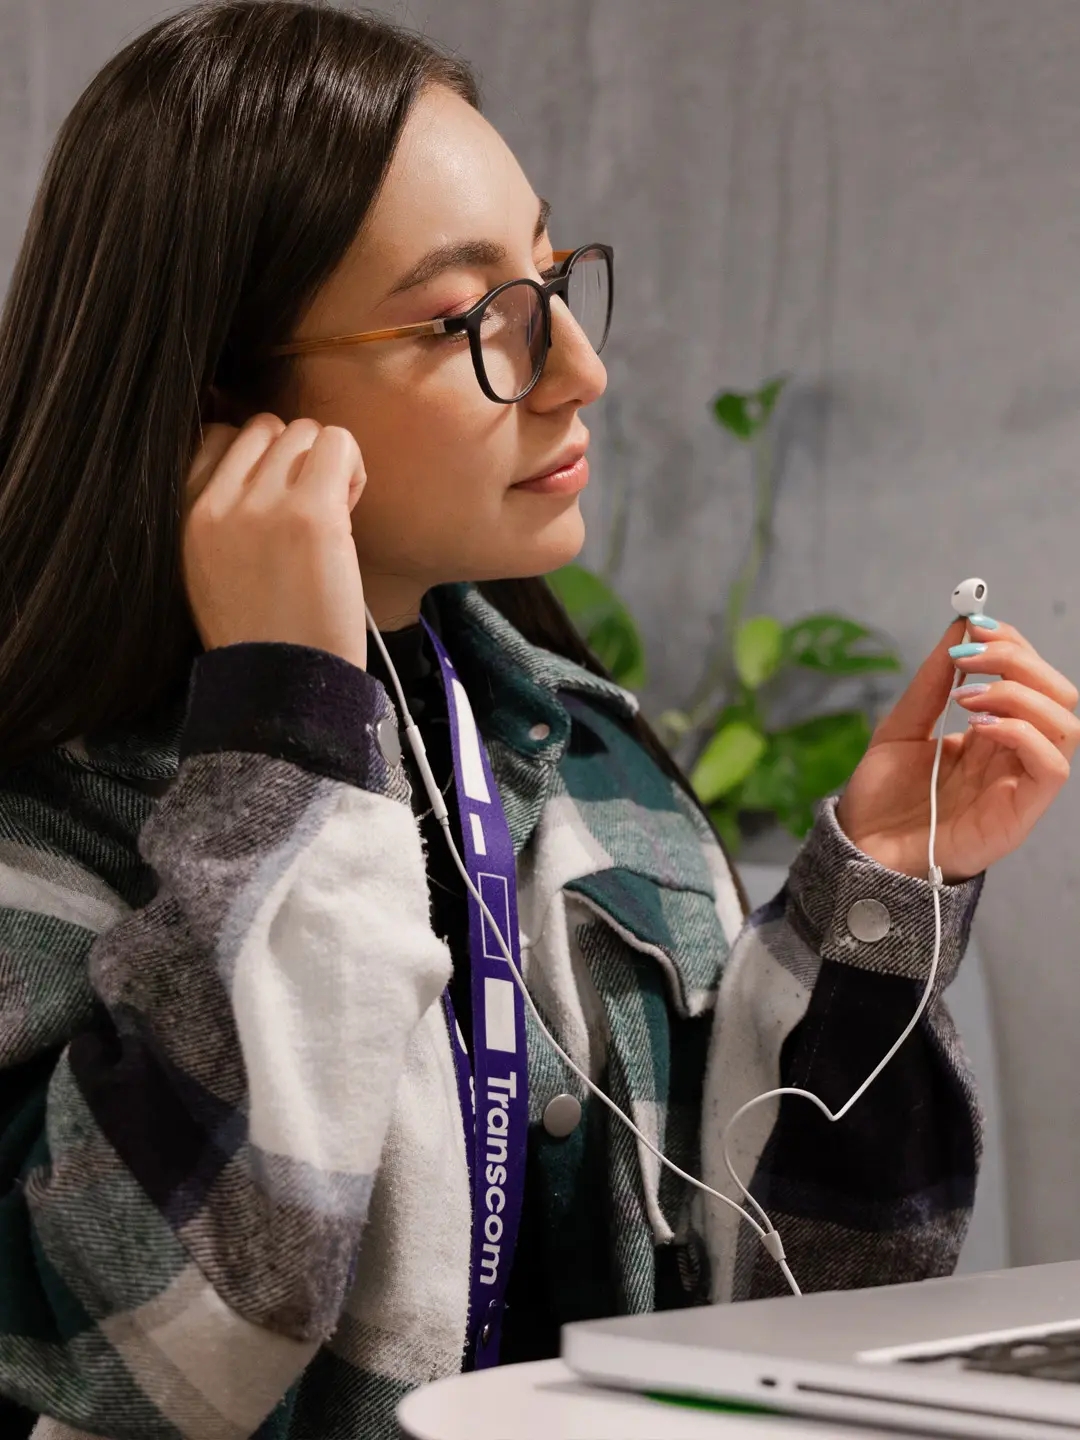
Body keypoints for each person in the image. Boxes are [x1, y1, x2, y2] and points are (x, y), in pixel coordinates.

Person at [0, 4, 1075, 1437]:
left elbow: (794, 1319)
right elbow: (142, 1358)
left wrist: (875, 902)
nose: (577, 368)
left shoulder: (591, 767)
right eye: (473, 321)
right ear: (225, 399)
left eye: (553, 277)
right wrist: (281, 746)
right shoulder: (45, 816)